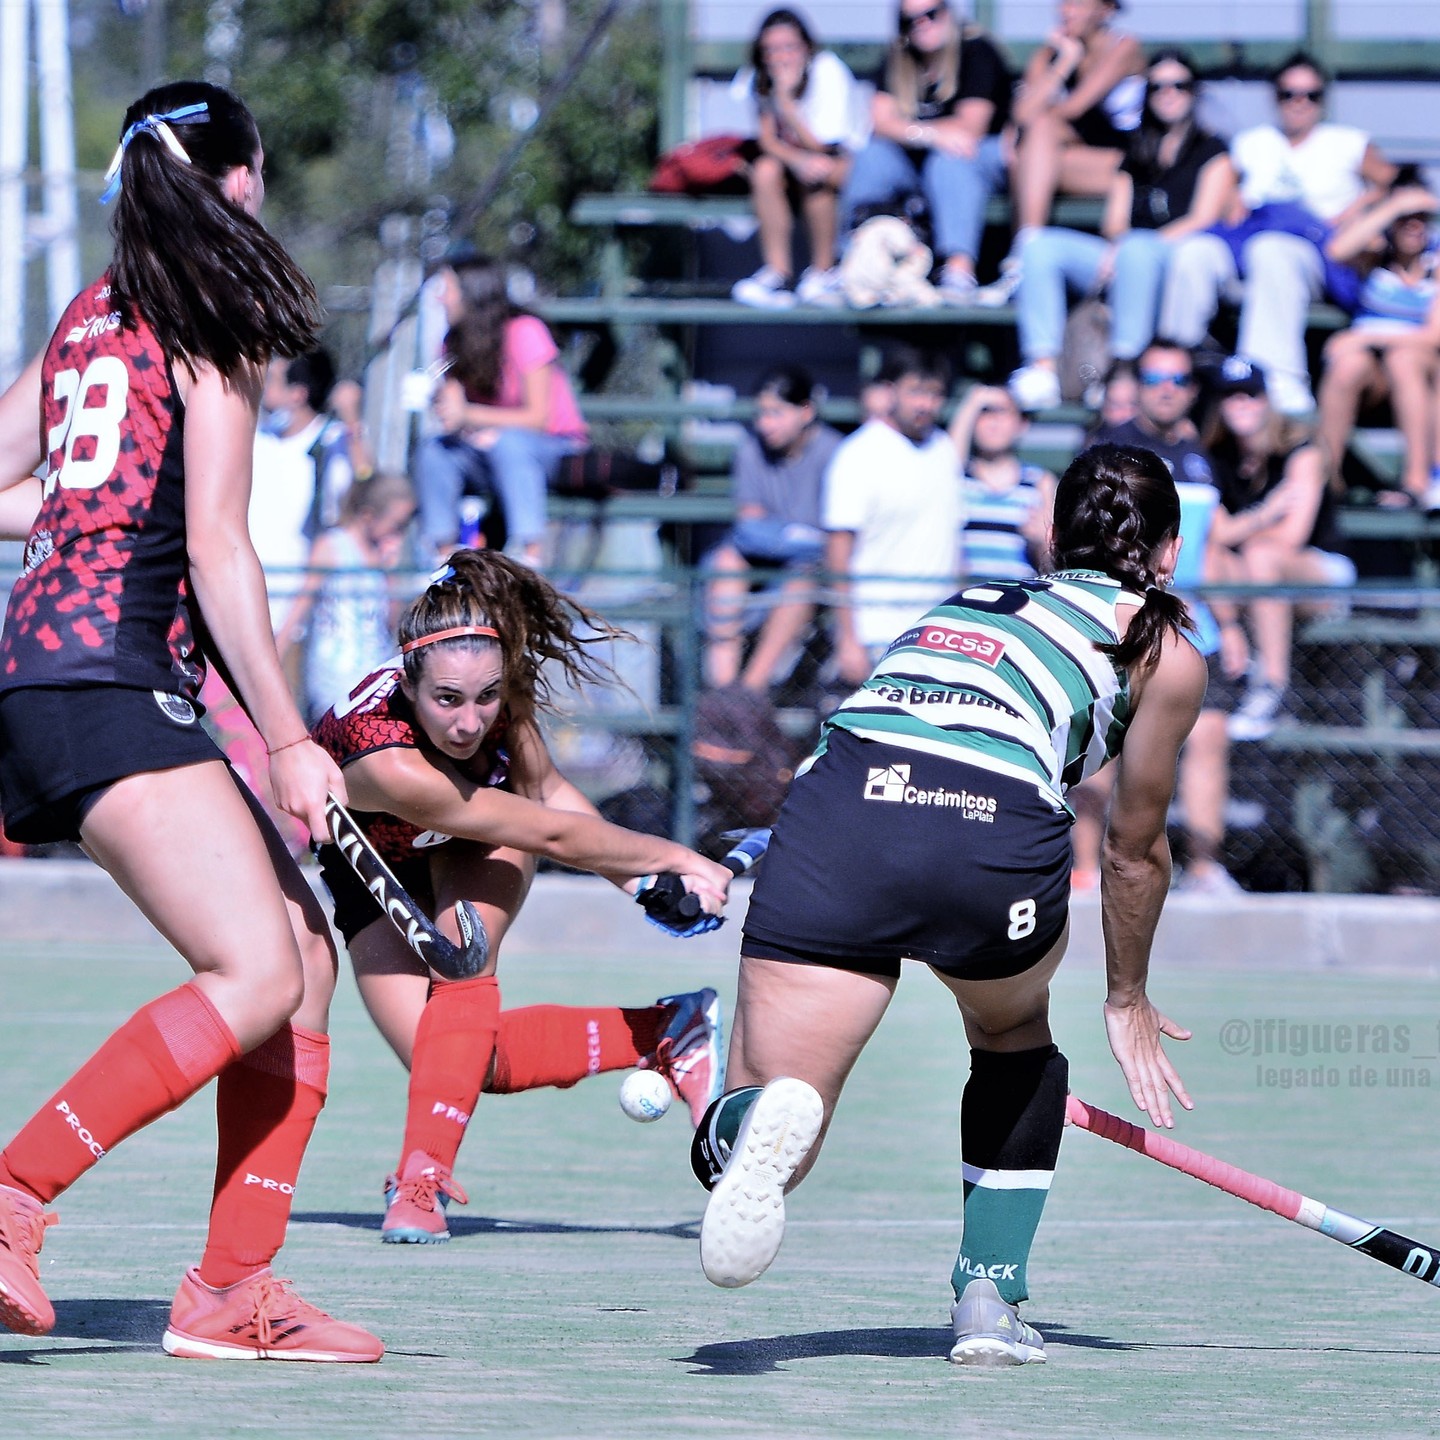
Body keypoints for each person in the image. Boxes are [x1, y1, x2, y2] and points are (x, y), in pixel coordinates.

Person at [0, 82, 382, 1361]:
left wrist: (80, 508)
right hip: (108, 677)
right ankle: (14, 1193)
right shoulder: (211, 313)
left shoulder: (93, 314)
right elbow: (219, 552)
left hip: (53, 677)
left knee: (305, 958)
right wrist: (291, 742)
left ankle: (231, 1294)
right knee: (258, 971)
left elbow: (26, 483)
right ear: (242, 180)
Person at [689, 443, 1205, 1367]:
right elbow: (1133, 851)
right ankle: (987, 1298)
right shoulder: (1162, 648)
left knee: (771, 1124)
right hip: (988, 835)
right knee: (1013, 1046)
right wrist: (1126, 996)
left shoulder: (967, 602)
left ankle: (746, 1121)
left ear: (1051, 538)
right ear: (1168, 551)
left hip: (843, 813)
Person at [309, 549, 734, 1242]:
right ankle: (666, 1031)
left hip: (479, 846)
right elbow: (547, 832)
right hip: (374, 867)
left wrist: (639, 884)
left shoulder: (502, 701)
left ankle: (420, 1182)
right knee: (452, 1064)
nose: (470, 722)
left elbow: (546, 794)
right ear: (408, 686)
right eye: (447, 700)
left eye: (486, 697)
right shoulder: (385, 757)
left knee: (463, 966)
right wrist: (677, 859)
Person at [1158, 52, 1396, 415]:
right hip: (1249, 243)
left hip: (1317, 255)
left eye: (1310, 95)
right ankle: (1175, 369)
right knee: (1195, 251)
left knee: (1273, 251)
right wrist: (1233, 202)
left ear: (1322, 99)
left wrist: (1350, 216)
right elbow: (1229, 195)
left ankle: (1272, 379)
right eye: (1289, 93)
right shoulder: (1251, 144)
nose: (1299, 103)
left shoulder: (1347, 142)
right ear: (1275, 96)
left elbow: (1391, 184)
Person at [1006, 49, 1235, 412]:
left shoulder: (1212, 149)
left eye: (1179, 85)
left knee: (1139, 249)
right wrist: (1119, 246)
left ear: (1193, 92)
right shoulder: (1137, 148)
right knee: (1040, 247)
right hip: (1128, 255)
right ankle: (1042, 367)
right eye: (1158, 87)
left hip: (1178, 258)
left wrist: (1135, 246)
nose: (1168, 93)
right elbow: (1115, 218)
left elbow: (1204, 217)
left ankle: (1122, 371)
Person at [1204, 357, 1355, 741]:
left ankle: (1271, 685)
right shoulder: (1217, 456)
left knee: (1261, 555)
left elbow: (1291, 537)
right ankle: (1239, 652)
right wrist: (1265, 512)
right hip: (1259, 576)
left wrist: (1244, 527)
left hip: (1321, 572)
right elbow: (1217, 534)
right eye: (1231, 396)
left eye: (1251, 395)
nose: (1242, 404)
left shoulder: (1301, 449)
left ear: (1266, 399)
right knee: (1211, 558)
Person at [413, 253, 589, 569]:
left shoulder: (525, 331)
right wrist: (451, 411)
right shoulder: (452, 342)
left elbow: (539, 419)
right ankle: (439, 558)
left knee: (509, 445)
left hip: (552, 447)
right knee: (435, 451)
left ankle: (528, 554)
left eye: (447, 288)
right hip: (488, 449)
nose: (440, 298)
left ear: (471, 291)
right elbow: (460, 418)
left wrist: (469, 416)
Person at [839, 0, 1012, 303]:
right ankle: (852, 261)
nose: (922, 24)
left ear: (947, 13)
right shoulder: (899, 57)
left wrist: (917, 132)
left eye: (931, 14)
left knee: (949, 161)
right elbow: (879, 122)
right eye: (911, 19)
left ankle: (958, 270)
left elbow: (970, 128)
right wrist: (928, 134)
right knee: (872, 156)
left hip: (979, 161)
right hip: (918, 162)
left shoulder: (976, 50)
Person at [978, 0, 1144, 306]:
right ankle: (1026, 255)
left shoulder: (1124, 48)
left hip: (1128, 166)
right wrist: (1063, 62)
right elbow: (1023, 113)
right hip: (1065, 161)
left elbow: (1074, 108)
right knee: (1036, 137)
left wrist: (1024, 135)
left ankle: (1023, 257)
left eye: (1079, 4)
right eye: (1064, 3)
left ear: (1105, 10)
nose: (1068, 11)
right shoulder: (1051, 54)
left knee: (1037, 136)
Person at [822, 346, 964, 687]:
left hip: (937, 635)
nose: (925, 404)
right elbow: (837, 553)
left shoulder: (944, 449)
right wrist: (848, 639)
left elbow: (955, 547)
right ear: (890, 391)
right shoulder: (857, 454)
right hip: (875, 635)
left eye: (935, 394)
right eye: (916, 391)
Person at [704, 365, 841, 690]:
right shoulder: (751, 452)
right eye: (761, 413)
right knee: (725, 563)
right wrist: (801, 536)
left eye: (776, 412)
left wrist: (788, 536)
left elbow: (835, 539)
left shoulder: (835, 452)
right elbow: (750, 528)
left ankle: (750, 691)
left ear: (806, 411)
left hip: (812, 572)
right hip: (762, 561)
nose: (765, 424)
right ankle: (723, 690)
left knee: (802, 582)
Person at [1316, 173, 1440, 507]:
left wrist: (1364, 335)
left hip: (1421, 369)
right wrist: (1395, 204)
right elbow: (1337, 249)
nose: (1412, 226)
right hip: (1374, 372)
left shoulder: (1436, 262)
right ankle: (1326, 480)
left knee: (1403, 358)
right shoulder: (1374, 257)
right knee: (1347, 365)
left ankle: (1417, 481)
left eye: (1420, 218)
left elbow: (1433, 335)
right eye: (1404, 219)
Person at [729, 8, 866, 310]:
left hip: (848, 166)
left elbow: (824, 147)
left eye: (788, 47)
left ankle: (823, 271)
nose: (780, 57)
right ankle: (777, 273)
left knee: (816, 172)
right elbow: (767, 140)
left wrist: (788, 107)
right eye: (771, 50)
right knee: (764, 170)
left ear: (806, 47)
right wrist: (795, 161)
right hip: (799, 167)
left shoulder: (828, 71)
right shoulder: (760, 77)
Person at [274, 473, 417, 724]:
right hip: (334, 674)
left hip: (372, 670)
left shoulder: (382, 557)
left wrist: (389, 572)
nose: (399, 534)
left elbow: (390, 624)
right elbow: (300, 604)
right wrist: (275, 654)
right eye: (396, 525)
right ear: (369, 516)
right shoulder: (332, 546)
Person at [949, 384, 1055, 580]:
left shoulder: (1039, 482)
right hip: (964, 602)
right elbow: (948, 462)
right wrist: (972, 403)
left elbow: (1052, 564)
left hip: (1018, 602)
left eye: (1002, 412)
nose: (993, 423)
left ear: (1021, 423)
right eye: (984, 413)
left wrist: (1040, 541)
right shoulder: (958, 479)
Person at [1090, 337, 1219, 487]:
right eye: (1153, 379)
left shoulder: (1199, 456)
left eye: (1179, 380)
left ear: (1193, 390)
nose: (1167, 390)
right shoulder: (1108, 451)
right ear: (1137, 385)